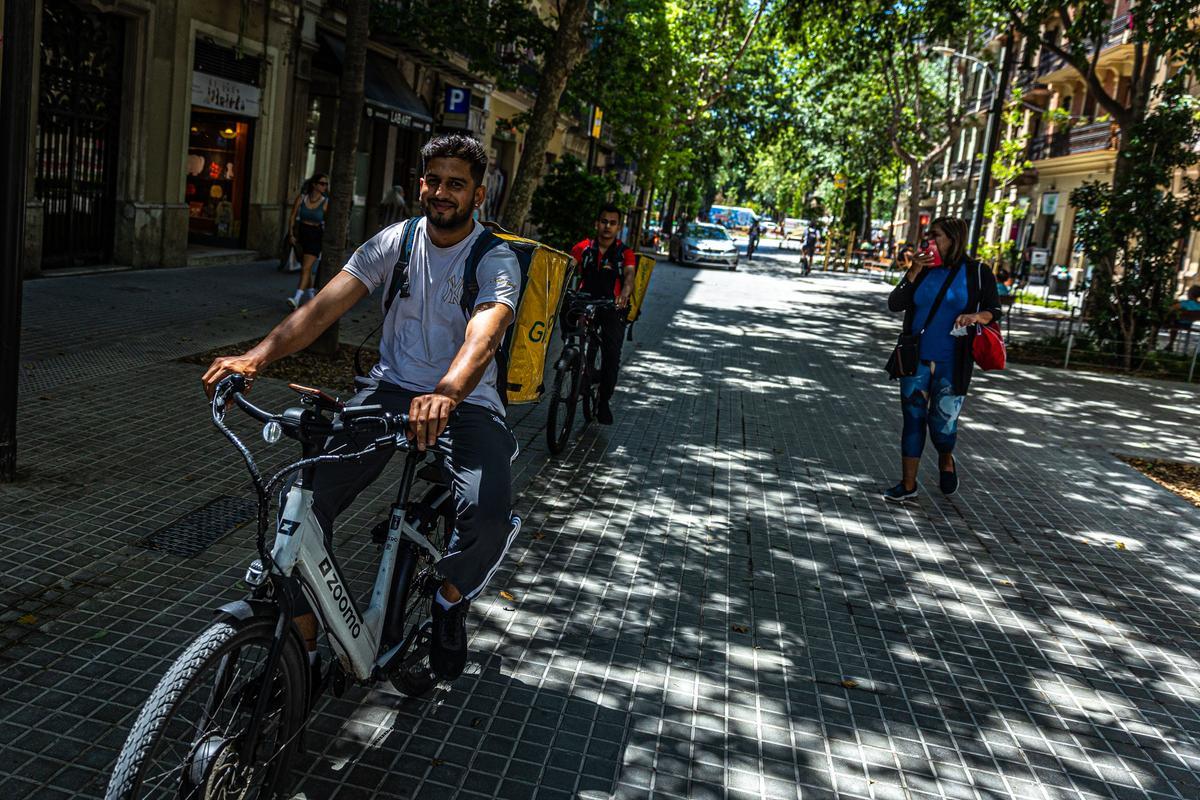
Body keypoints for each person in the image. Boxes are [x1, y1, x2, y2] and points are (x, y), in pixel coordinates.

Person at [203, 134, 522, 683]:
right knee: (298, 505)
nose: (442, 192)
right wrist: (255, 358)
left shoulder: (494, 259)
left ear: (479, 194)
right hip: (391, 389)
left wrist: (445, 394)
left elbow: (484, 337)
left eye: (456, 184)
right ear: (420, 184)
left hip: (464, 398)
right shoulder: (394, 243)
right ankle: (301, 655)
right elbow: (322, 308)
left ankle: (449, 599)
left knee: (487, 510)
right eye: (434, 180)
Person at [884, 216, 1002, 502]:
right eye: (927, 235)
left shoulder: (977, 272)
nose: (929, 241)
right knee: (913, 418)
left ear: (953, 238)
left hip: (953, 361)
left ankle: (946, 458)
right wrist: (913, 270)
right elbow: (895, 304)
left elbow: (993, 310)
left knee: (942, 427)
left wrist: (976, 316)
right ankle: (908, 484)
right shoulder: (923, 270)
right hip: (916, 358)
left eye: (935, 235)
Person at [569, 203, 638, 425]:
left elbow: (629, 277)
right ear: (597, 223)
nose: (607, 227)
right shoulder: (582, 248)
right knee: (575, 338)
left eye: (613, 223)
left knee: (611, 355)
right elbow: (567, 270)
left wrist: (624, 295)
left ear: (619, 227)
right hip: (585, 302)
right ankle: (574, 367)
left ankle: (604, 400)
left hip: (612, 307)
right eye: (604, 222)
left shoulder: (624, 253)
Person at [287, 173, 329, 309]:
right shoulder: (302, 198)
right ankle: (312, 298)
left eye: (326, 184)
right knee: (307, 269)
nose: (325, 186)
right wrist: (291, 234)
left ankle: (296, 298)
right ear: (314, 185)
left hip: (315, 236)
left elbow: (328, 223)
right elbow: (292, 216)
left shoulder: (325, 202)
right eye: (322, 183)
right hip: (301, 235)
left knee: (305, 268)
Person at [1167, 284, 1200, 350]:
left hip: (1178, 324)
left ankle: (1170, 343)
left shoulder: (1184, 303)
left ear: (1190, 294)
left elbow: (1170, 309)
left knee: (1173, 321)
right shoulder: (1199, 305)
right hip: (1188, 325)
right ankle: (1170, 345)